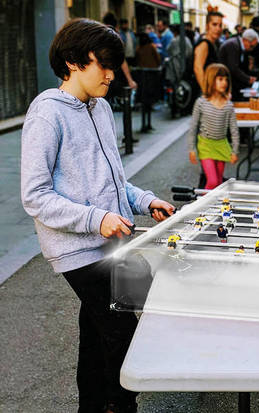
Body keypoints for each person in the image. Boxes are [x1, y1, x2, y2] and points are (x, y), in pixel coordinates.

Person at [20, 18, 175, 413]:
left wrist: (144, 200)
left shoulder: (101, 107)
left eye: (114, 63)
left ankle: (92, 405)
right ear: (73, 61)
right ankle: (120, 407)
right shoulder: (46, 114)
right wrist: (96, 219)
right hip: (79, 250)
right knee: (124, 333)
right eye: (103, 64)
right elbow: (35, 196)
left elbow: (113, 181)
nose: (112, 73)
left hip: (112, 242)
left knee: (96, 332)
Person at [187, 64, 239, 189]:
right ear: (211, 80)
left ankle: (215, 207)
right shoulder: (201, 103)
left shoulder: (228, 105)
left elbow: (234, 130)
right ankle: (202, 205)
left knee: (219, 182)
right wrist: (191, 149)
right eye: (220, 79)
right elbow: (193, 127)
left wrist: (235, 151)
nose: (224, 83)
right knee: (212, 181)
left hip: (221, 145)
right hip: (205, 145)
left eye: (226, 79)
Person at [219, 28, 259, 101]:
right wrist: (247, 78)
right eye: (251, 46)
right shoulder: (233, 45)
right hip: (226, 82)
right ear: (245, 40)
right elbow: (233, 68)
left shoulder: (237, 45)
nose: (251, 49)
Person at [135, 33, 161, 132]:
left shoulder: (138, 49)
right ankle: (148, 123)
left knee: (143, 101)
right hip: (152, 76)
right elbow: (158, 59)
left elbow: (136, 60)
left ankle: (144, 124)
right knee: (149, 101)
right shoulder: (152, 47)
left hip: (142, 77)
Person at [193, 11, 223, 94]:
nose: (218, 29)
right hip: (201, 92)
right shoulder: (204, 44)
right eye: (214, 24)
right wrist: (207, 92)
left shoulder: (214, 44)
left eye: (220, 25)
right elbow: (197, 69)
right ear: (207, 26)